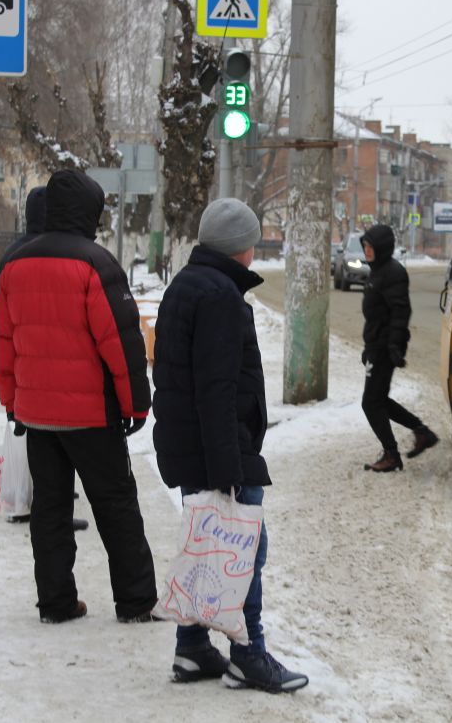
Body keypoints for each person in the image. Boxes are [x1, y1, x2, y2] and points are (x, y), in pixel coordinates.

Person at [152, 198, 308, 694]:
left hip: (190, 444)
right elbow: (217, 389)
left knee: (206, 546)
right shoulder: (220, 295)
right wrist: (229, 469)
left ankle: (193, 648)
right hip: (216, 449)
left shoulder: (187, 285)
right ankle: (249, 654)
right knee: (244, 549)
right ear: (243, 246)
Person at [0, 169, 159, 624]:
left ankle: (56, 603)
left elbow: (4, 340)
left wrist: (13, 402)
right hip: (91, 415)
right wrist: (136, 404)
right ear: (87, 212)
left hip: (37, 414)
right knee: (116, 504)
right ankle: (136, 600)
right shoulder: (96, 263)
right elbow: (122, 344)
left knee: (50, 508)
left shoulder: (15, 264)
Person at [0, 185, 89, 533]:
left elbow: (4, 320)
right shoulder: (65, 253)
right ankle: (47, 507)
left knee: (28, 439)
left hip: (25, 364)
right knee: (56, 448)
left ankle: (24, 498)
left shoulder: (14, 254)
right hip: (59, 369)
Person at [359, 224, 438, 472]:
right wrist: (368, 346)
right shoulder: (378, 271)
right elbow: (377, 315)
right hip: (377, 344)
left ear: (381, 248)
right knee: (378, 400)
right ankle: (421, 432)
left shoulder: (392, 272)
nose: (367, 250)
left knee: (371, 403)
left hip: (385, 347)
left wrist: (394, 346)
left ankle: (392, 455)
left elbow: (400, 312)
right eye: (365, 246)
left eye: (371, 246)